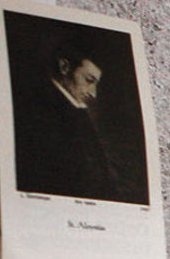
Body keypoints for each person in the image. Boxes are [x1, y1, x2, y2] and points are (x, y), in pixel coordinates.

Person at [13, 49, 133, 202]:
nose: (93, 93)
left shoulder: (74, 106)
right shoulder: (38, 108)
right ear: (64, 67)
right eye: (89, 80)